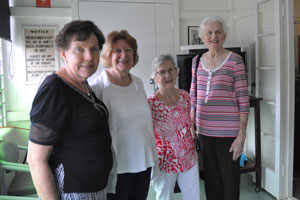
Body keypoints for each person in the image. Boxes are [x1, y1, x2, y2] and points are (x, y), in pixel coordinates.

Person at [27, 20, 113, 200]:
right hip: (74, 192)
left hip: (96, 189)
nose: (89, 56)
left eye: (94, 49)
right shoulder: (54, 90)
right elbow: (36, 160)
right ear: (64, 53)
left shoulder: (82, 84)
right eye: (79, 49)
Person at [90, 30, 158, 200]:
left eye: (129, 50)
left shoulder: (137, 83)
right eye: (117, 51)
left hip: (143, 162)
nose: (124, 55)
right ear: (108, 55)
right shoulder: (98, 87)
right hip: (118, 168)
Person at [190, 16, 250, 200]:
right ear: (202, 36)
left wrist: (241, 135)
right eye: (209, 32)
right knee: (212, 181)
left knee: (230, 182)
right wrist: (191, 125)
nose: (213, 36)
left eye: (218, 32)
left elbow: (243, 99)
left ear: (224, 35)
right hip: (204, 131)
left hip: (228, 133)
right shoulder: (196, 61)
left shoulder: (235, 61)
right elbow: (193, 95)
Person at [148, 54, 200, 200]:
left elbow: (190, 124)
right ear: (155, 77)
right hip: (164, 160)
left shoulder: (185, 96)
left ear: (177, 72)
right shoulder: (151, 103)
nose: (168, 75)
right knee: (164, 197)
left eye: (171, 70)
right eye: (162, 72)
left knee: (193, 196)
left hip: (188, 156)